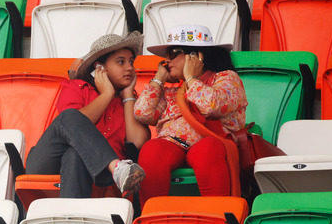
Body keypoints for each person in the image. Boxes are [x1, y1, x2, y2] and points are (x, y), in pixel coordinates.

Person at [25, 31, 149, 198]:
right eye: (121, 62)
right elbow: (70, 123)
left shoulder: (129, 100)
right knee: (69, 116)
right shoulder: (76, 87)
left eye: (131, 62)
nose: (129, 68)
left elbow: (138, 142)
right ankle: (116, 167)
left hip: (87, 169)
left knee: (75, 155)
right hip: (47, 163)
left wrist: (127, 96)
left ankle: (72, 219)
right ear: (100, 68)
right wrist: (106, 94)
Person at [134, 23, 248, 201]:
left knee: (206, 150)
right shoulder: (172, 90)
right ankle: (152, 218)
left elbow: (210, 105)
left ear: (196, 56)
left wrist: (191, 77)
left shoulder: (226, 78)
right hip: (173, 145)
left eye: (173, 54)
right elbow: (142, 113)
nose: (167, 61)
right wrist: (158, 79)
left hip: (212, 143)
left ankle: (220, 218)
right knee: (152, 150)